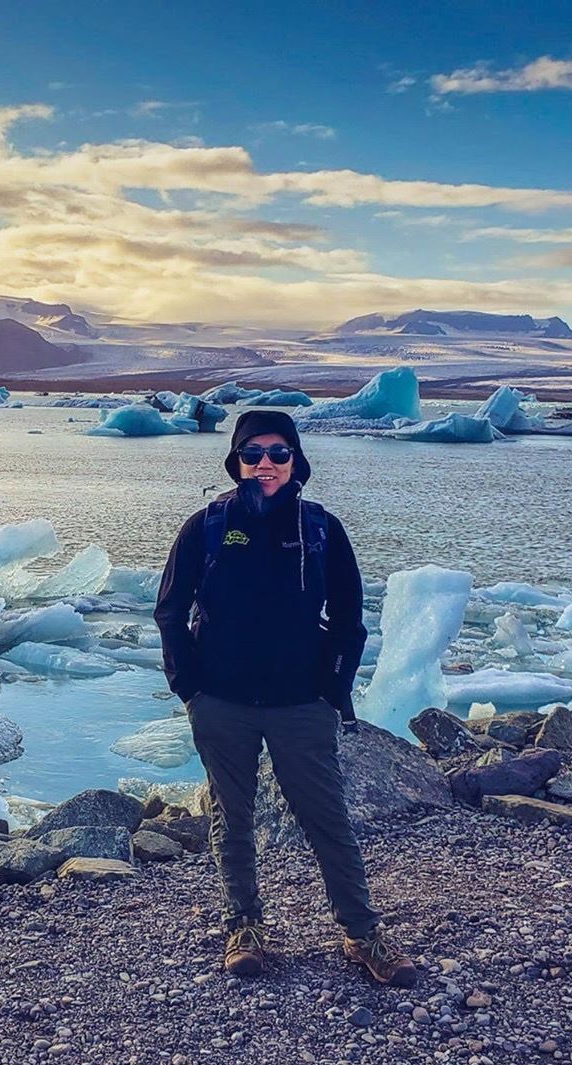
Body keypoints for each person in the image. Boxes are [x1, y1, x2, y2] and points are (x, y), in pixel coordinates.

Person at [154, 409, 418, 986]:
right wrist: (188, 685)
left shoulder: (322, 528)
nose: (265, 464)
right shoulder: (208, 526)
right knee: (233, 816)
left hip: (301, 701)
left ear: (296, 460)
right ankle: (243, 927)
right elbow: (171, 609)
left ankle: (361, 934)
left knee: (327, 816)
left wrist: (334, 687)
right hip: (221, 699)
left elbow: (350, 616)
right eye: (253, 453)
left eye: (278, 452)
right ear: (236, 461)